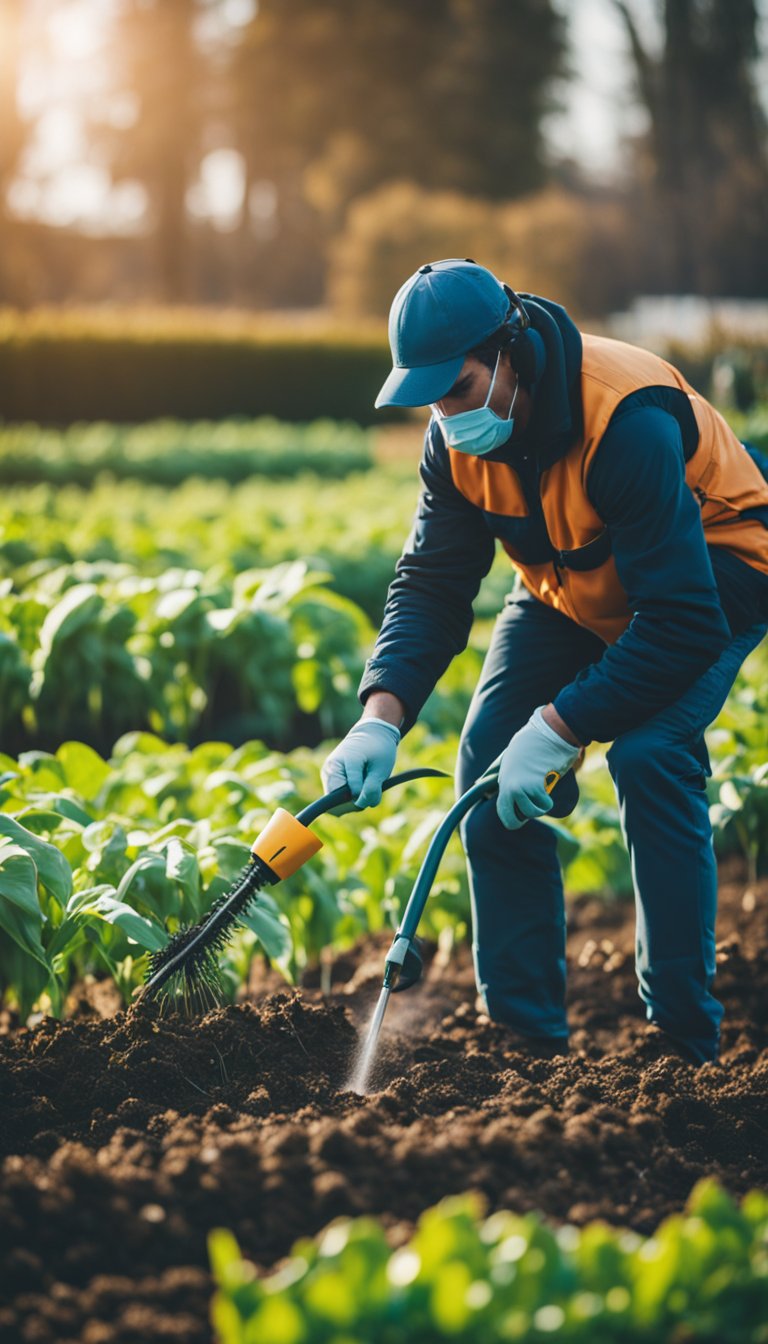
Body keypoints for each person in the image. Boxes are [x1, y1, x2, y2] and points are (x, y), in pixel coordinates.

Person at [320, 258, 768, 1067]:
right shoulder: (453, 444)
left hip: (713, 572)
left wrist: (562, 727)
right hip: (571, 582)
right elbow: (432, 581)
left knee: (650, 753)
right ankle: (526, 1040)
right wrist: (379, 716)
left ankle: (683, 1045)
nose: (444, 414)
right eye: (428, 397)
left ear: (511, 352)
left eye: (455, 388)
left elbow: (679, 619)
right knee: (486, 771)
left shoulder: (624, 417)